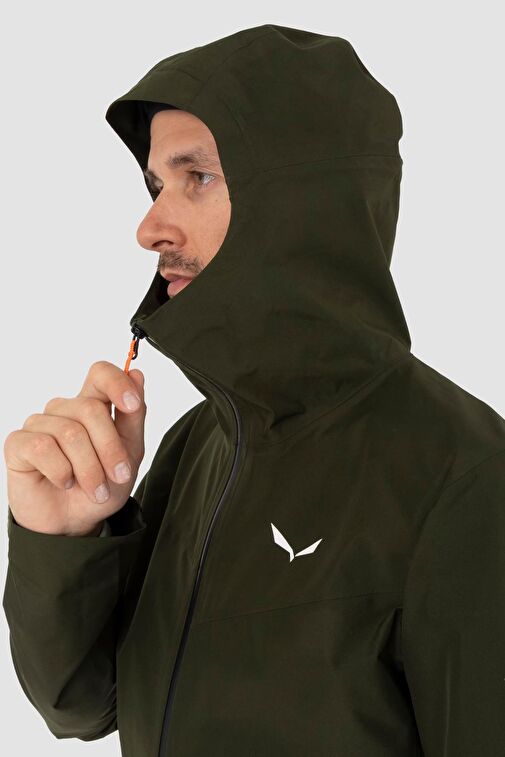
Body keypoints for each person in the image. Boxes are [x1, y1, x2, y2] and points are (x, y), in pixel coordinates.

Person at [3, 22, 505, 757]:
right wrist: (66, 539)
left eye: (197, 178)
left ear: (302, 203)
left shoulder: (464, 475)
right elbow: (84, 704)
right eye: (156, 185)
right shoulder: (199, 443)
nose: (149, 226)